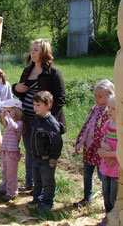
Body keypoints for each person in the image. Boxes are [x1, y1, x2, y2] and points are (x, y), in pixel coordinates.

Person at [12, 39, 65, 192]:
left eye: (36, 49)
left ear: (44, 52)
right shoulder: (27, 71)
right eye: (31, 49)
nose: (32, 52)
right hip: (27, 119)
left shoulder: (53, 73)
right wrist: (16, 88)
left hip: (44, 123)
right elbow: (20, 90)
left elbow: (60, 99)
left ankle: (43, 188)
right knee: (29, 151)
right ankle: (30, 183)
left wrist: (47, 119)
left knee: (43, 154)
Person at [73, 79, 115, 208]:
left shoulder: (110, 112)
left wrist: (107, 148)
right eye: (95, 95)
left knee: (104, 177)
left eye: (100, 96)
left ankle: (109, 203)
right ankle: (87, 198)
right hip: (90, 147)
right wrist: (80, 141)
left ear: (109, 95)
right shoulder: (94, 109)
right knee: (87, 174)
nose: (97, 98)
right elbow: (86, 126)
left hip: (103, 151)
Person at [27, 91, 63, 209]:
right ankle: (37, 198)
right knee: (37, 181)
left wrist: (53, 158)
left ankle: (48, 201)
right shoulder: (37, 120)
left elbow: (57, 142)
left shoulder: (51, 123)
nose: (35, 108)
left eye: (38, 105)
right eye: (34, 105)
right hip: (36, 158)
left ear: (48, 106)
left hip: (47, 160)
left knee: (47, 182)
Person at [97, 96, 119, 226]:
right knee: (105, 194)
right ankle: (107, 217)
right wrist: (103, 144)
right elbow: (103, 140)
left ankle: (114, 219)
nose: (109, 110)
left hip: (117, 169)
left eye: (114, 108)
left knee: (114, 197)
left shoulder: (121, 129)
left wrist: (107, 153)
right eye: (109, 107)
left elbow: (121, 152)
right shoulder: (107, 124)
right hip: (107, 167)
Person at [0, 98, 24, 202]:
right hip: (5, 150)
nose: (7, 113)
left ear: (17, 111)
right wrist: (5, 116)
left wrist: (8, 117)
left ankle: (12, 192)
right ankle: (4, 187)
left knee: (11, 173)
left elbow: (14, 127)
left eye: (9, 111)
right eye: (6, 111)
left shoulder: (19, 123)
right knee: (5, 171)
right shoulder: (9, 123)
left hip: (12, 152)